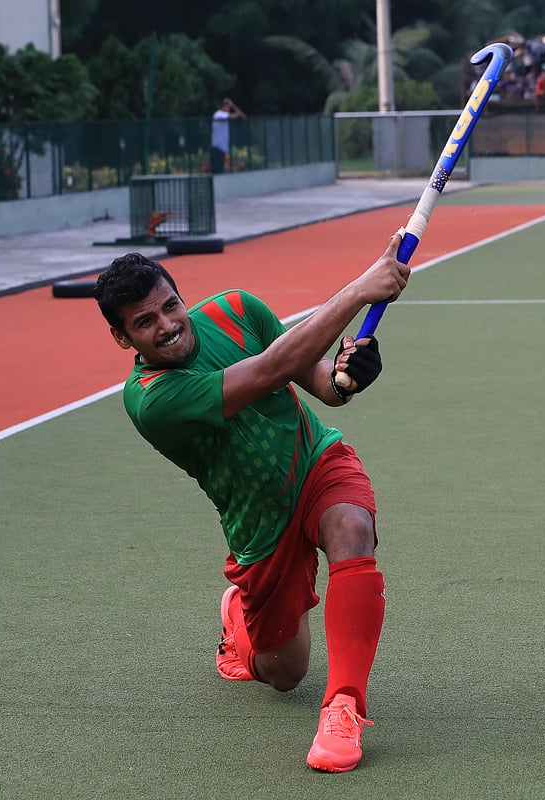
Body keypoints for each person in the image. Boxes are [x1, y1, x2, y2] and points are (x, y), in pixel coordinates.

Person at [91, 231, 410, 772]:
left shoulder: (237, 310)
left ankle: (344, 708)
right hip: (260, 524)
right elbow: (268, 371)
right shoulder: (151, 399)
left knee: (353, 529)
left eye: (170, 306)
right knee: (285, 673)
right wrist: (361, 289)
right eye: (144, 322)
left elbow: (319, 383)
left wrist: (346, 376)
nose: (167, 325)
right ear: (123, 338)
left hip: (314, 461)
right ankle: (237, 617)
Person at [210, 97, 246, 174]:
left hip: (222, 147)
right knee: (218, 171)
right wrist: (232, 106)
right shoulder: (218, 114)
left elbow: (243, 116)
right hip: (217, 147)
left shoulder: (225, 115)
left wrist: (233, 106)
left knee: (221, 170)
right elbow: (234, 116)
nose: (229, 109)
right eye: (227, 107)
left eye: (229, 107)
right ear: (222, 107)